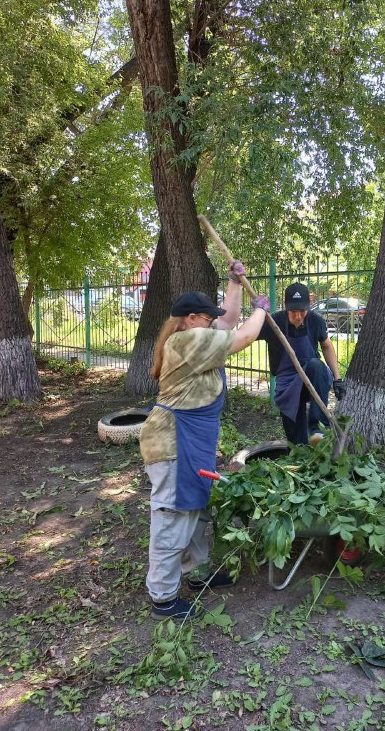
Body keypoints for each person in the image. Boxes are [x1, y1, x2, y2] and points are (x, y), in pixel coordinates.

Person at [139, 261, 269, 620]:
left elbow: (227, 322)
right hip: (173, 443)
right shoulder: (188, 340)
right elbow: (242, 335)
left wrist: (235, 284)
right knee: (173, 515)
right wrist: (260, 311)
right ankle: (163, 598)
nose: (213, 321)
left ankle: (197, 573)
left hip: (189, 440)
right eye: (206, 316)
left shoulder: (192, 335)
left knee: (196, 510)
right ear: (192, 318)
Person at [258, 282, 346, 446]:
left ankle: (317, 428)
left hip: (313, 381)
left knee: (316, 365)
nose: (298, 316)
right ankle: (300, 455)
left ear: (309, 306)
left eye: (302, 311)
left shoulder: (315, 321)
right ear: (286, 307)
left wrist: (337, 378)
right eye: (293, 312)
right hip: (288, 385)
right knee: (296, 444)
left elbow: (326, 346)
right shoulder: (274, 322)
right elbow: (247, 334)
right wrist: (258, 312)